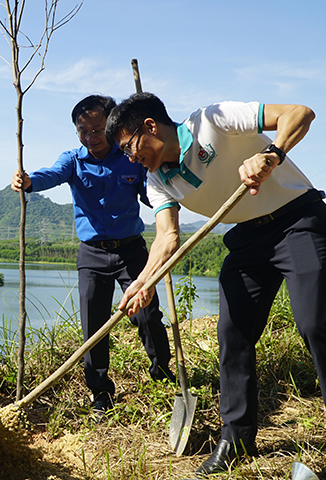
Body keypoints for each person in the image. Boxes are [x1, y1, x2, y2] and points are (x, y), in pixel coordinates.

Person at [107, 92, 325, 477]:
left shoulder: (213, 120)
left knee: (315, 324)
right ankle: (236, 438)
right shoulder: (158, 180)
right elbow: (166, 238)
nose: (130, 158)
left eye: (129, 146)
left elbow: (300, 113)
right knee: (233, 333)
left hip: (297, 221)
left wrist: (271, 155)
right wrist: (144, 281)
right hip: (247, 237)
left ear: (150, 127)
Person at [10, 94, 174, 417]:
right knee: (94, 327)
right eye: (83, 131)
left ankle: (162, 374)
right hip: (92, 255)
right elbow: (50, 175)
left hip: (131, 251)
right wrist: (28, 181)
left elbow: (152, 193)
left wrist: (167, 199)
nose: (90, 138)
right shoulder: (73, 160)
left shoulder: (131, 157)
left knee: (147, 314)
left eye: (97, 130)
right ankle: (100, 393)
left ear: (111, 126)